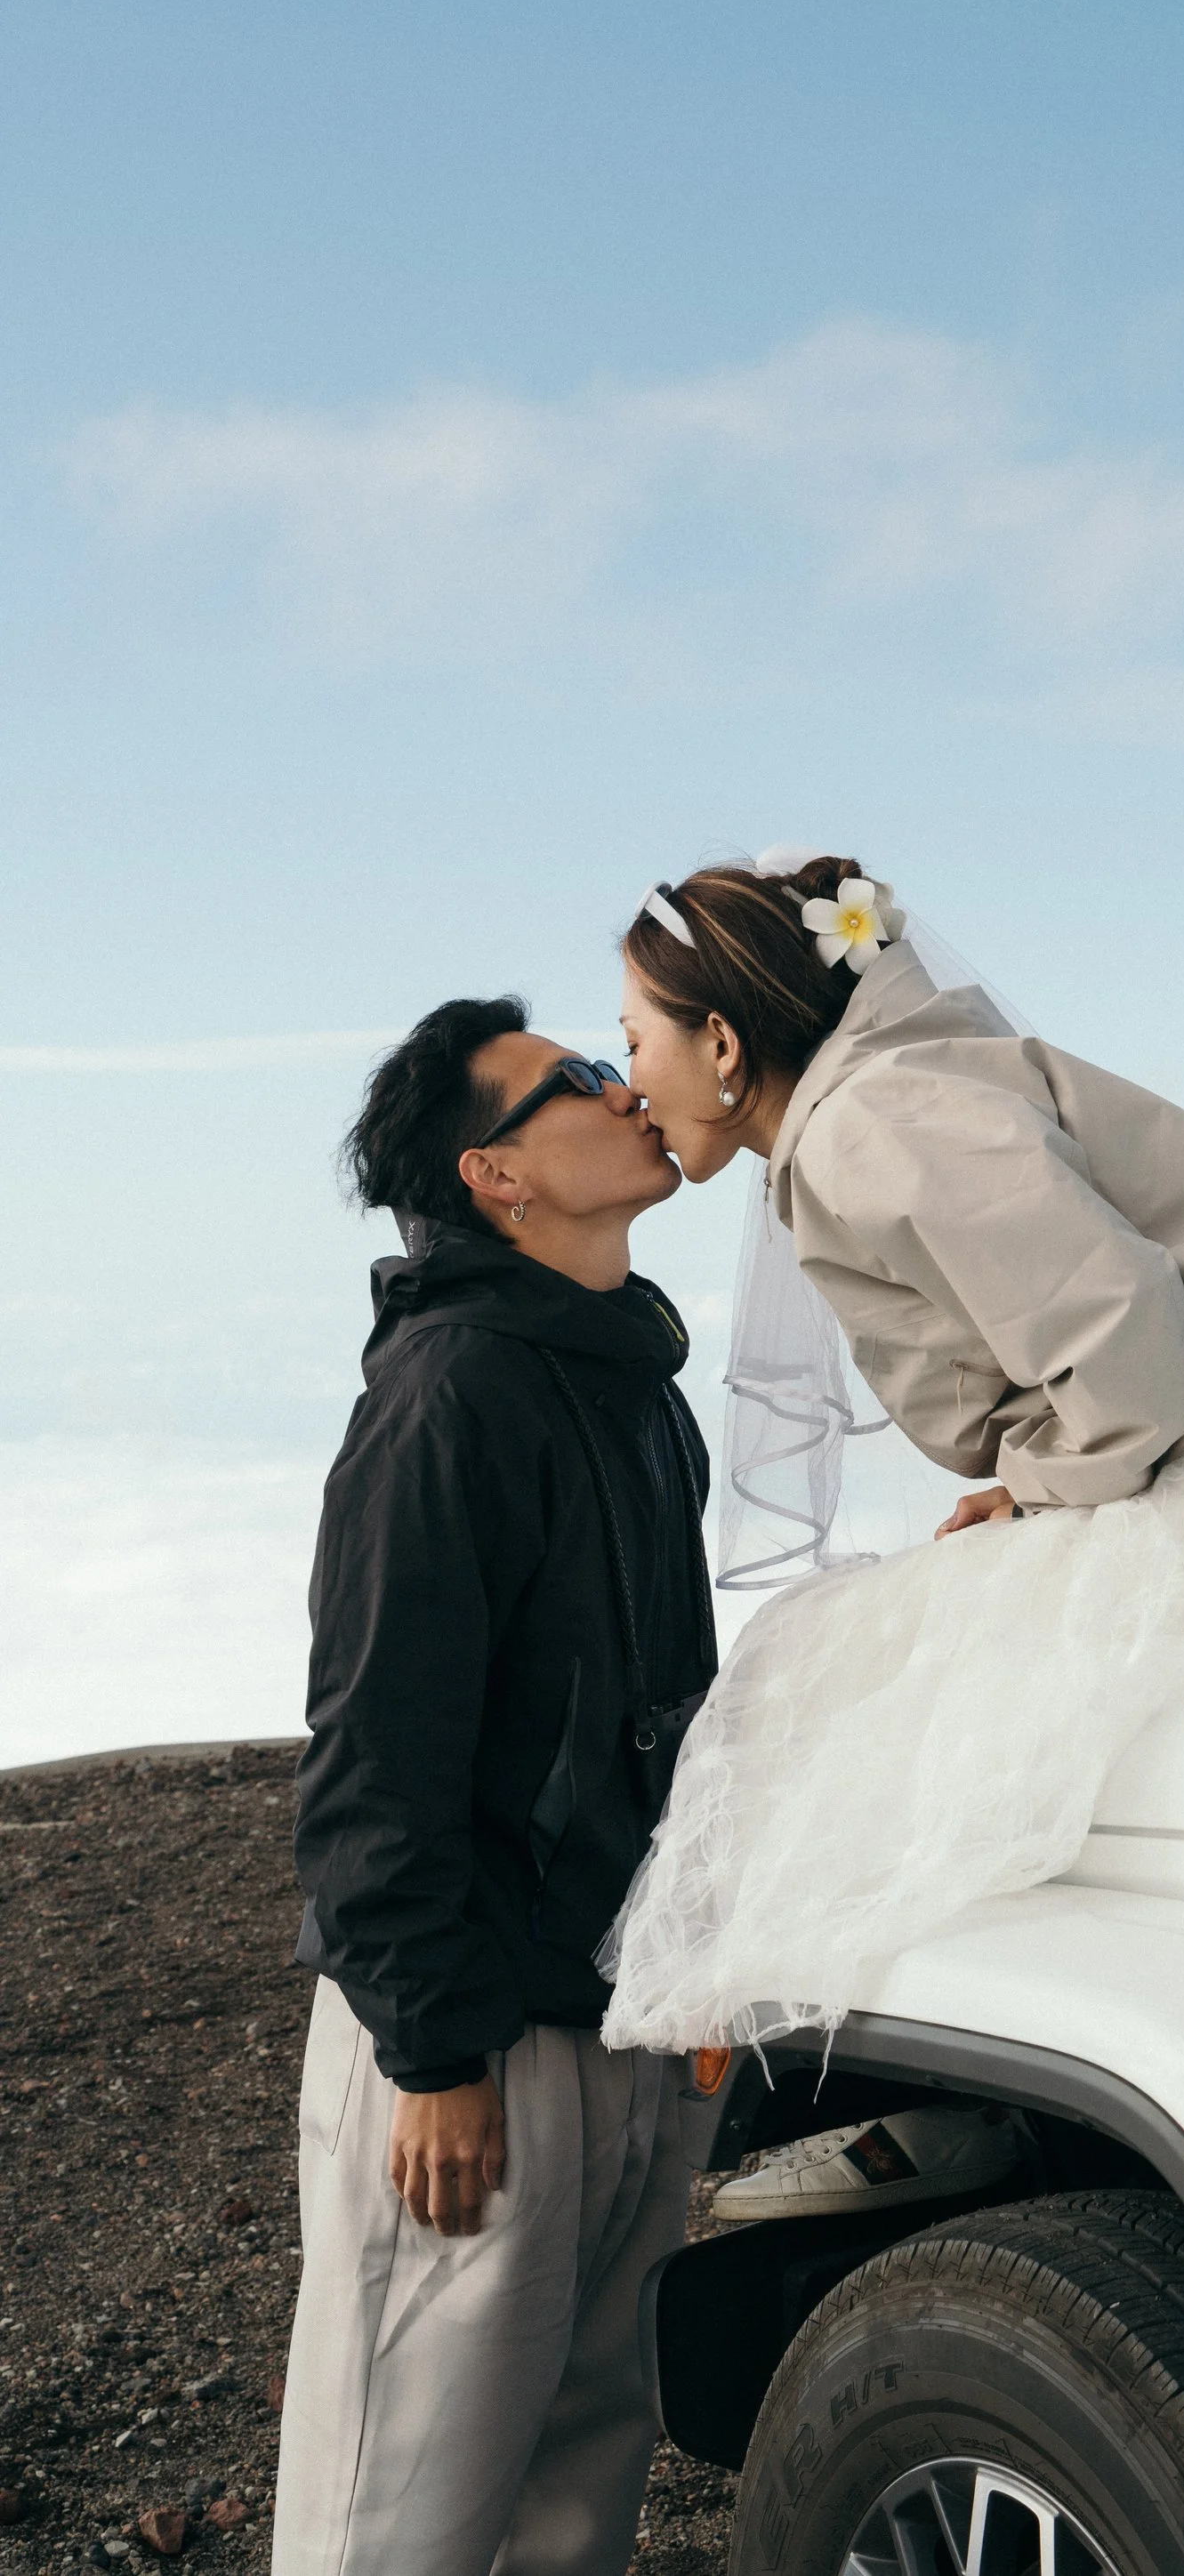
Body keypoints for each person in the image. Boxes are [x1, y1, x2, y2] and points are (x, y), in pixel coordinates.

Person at [600, 852, 1184, 2055]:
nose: (624, 1080)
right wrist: (1031, 1490)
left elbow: (1121, 1332)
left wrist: (1040, 1494)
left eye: (632, 1038)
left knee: (823, 1665)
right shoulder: (884, 1097)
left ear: (719, 1044)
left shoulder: (872, 1121)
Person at [273, 997, 719, 2576]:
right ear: (498, 1177)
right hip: (474, 2048)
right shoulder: (452, 1393)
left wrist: (694, 1969)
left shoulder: (626, 1378)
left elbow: (659, 1710)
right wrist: (434, 2048)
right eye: (574, 1084)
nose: (624, 1085)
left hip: (619, 2026)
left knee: (576, 2485)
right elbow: (375, 1747)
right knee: (396, 2507)